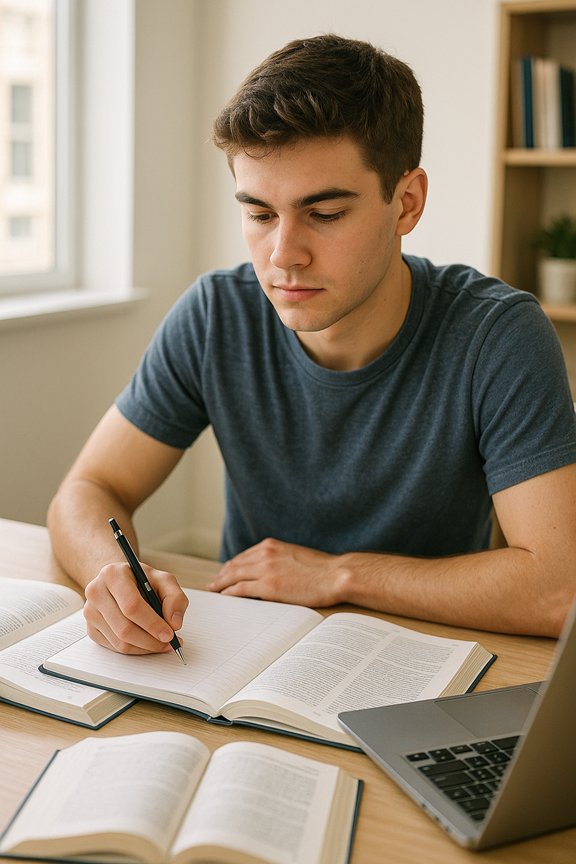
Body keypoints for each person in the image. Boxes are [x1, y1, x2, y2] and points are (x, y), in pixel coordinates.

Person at [47, 34, 576, 657]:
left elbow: (557, 588)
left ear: (406, 203)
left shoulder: (498, 335)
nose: (282, 256)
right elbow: (88, 490)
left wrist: (338, 573)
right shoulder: (218, 313)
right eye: (260, 213)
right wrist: (110, 575)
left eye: (323, 214)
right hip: (244, 658)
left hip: (424, 659)